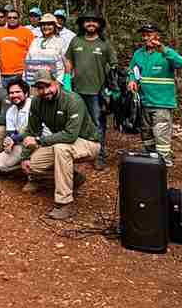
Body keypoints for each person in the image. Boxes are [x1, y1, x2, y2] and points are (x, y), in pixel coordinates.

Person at [20, 67, 100, 219]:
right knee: (33, 165)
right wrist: (24, 157)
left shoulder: (73, 100)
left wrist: (39, 141)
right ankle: (73, 178)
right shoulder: (37, 102)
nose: (45, 91)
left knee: (61, 149)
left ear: (56, 83)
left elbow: (70, 135)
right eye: (40, 88)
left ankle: (65, 203)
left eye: (48, 86)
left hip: (88, 142)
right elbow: (32, 130)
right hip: (61, 142)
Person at [127, 23, 182, 169]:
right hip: (144, 101)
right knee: (146, 133)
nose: (146, 37)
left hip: (162, 102)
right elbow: (132, 70)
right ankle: (151, 161)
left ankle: (163, 164)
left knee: (161, 134)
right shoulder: (138, 53)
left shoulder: (165, 52)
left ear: (157, 36)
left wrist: (164, 49)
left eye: (149, 34)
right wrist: (132, 80)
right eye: (144, 35)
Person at [64, 11, 117, 169]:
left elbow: (113, 65)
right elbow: (68, 60)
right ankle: (81, 153)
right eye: (87, 21)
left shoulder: (104, 43)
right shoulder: (76, 40)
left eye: (94, 21)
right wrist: (67, 82)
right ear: (82, 24)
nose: (91, 24)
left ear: (99, 24)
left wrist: (111, 88)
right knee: (77, 122)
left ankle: (99, 156)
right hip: (77, 90)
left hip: (97, 92)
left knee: (97, 124)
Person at [0, 79, 32, 177]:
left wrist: (13, 139)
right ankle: (21, 167)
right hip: (21, 143)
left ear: (26, 93)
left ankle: (36, 174)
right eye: (11, 93)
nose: (14, 95)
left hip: (37, 142)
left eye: (18, 92)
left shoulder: (33, 106)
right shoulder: (11, 110)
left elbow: (33, 131)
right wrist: (9, 140)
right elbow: (11, 132)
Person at [23, 13, 67, 87]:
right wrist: (25, 79)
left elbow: (66, 64)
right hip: (34, 82)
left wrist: (59, 82)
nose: (46, 27)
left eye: (49, 24)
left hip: (54, 83)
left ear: (55, 26)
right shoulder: (35, 41)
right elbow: (28, 60)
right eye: (43, 24)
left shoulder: (60, 42)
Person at [0, 8, 33, 86]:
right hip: (2, 74)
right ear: (6, 19)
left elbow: (32, 53)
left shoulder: (27, 32)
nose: (12, 19)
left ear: (19, 19)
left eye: (15, 17)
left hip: (20, 73)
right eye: (9, 17)